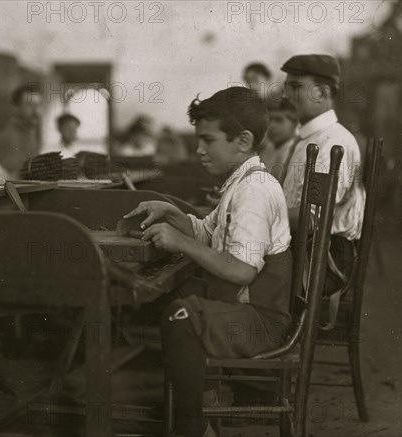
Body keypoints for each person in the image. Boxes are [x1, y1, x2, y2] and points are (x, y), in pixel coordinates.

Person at [124, 87, 292, 437]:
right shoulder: (241, 181)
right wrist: (172, 213)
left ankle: (195, 426)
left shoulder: (255, 191)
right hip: (243, 306)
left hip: (261, 321)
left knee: (180, 316)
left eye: (208, 140)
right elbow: (206, 232)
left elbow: (242, 269)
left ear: (242, 140)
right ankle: (203, 397)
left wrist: (180, 242)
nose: (199, 150)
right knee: (180, 293)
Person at [281, 54, 365, 301]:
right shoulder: (309, 138)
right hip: (304, 250)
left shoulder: (332, 143)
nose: (286, 96)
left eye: (295, 87)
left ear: (321, 92)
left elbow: (310, 219)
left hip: (323, 261)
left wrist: (255, 209)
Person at [0, 84, 43, 177]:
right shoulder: (7, 136)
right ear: (16, 108)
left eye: (38, 105)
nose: (37, 112)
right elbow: (12, 178)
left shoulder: (32, 130)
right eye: (30, 105)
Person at [260, 98, 299, 182]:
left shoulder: (296, 151)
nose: (272, 126)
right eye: (269, 120)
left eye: (279, 120)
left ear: (295, 123)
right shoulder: (266, 150)